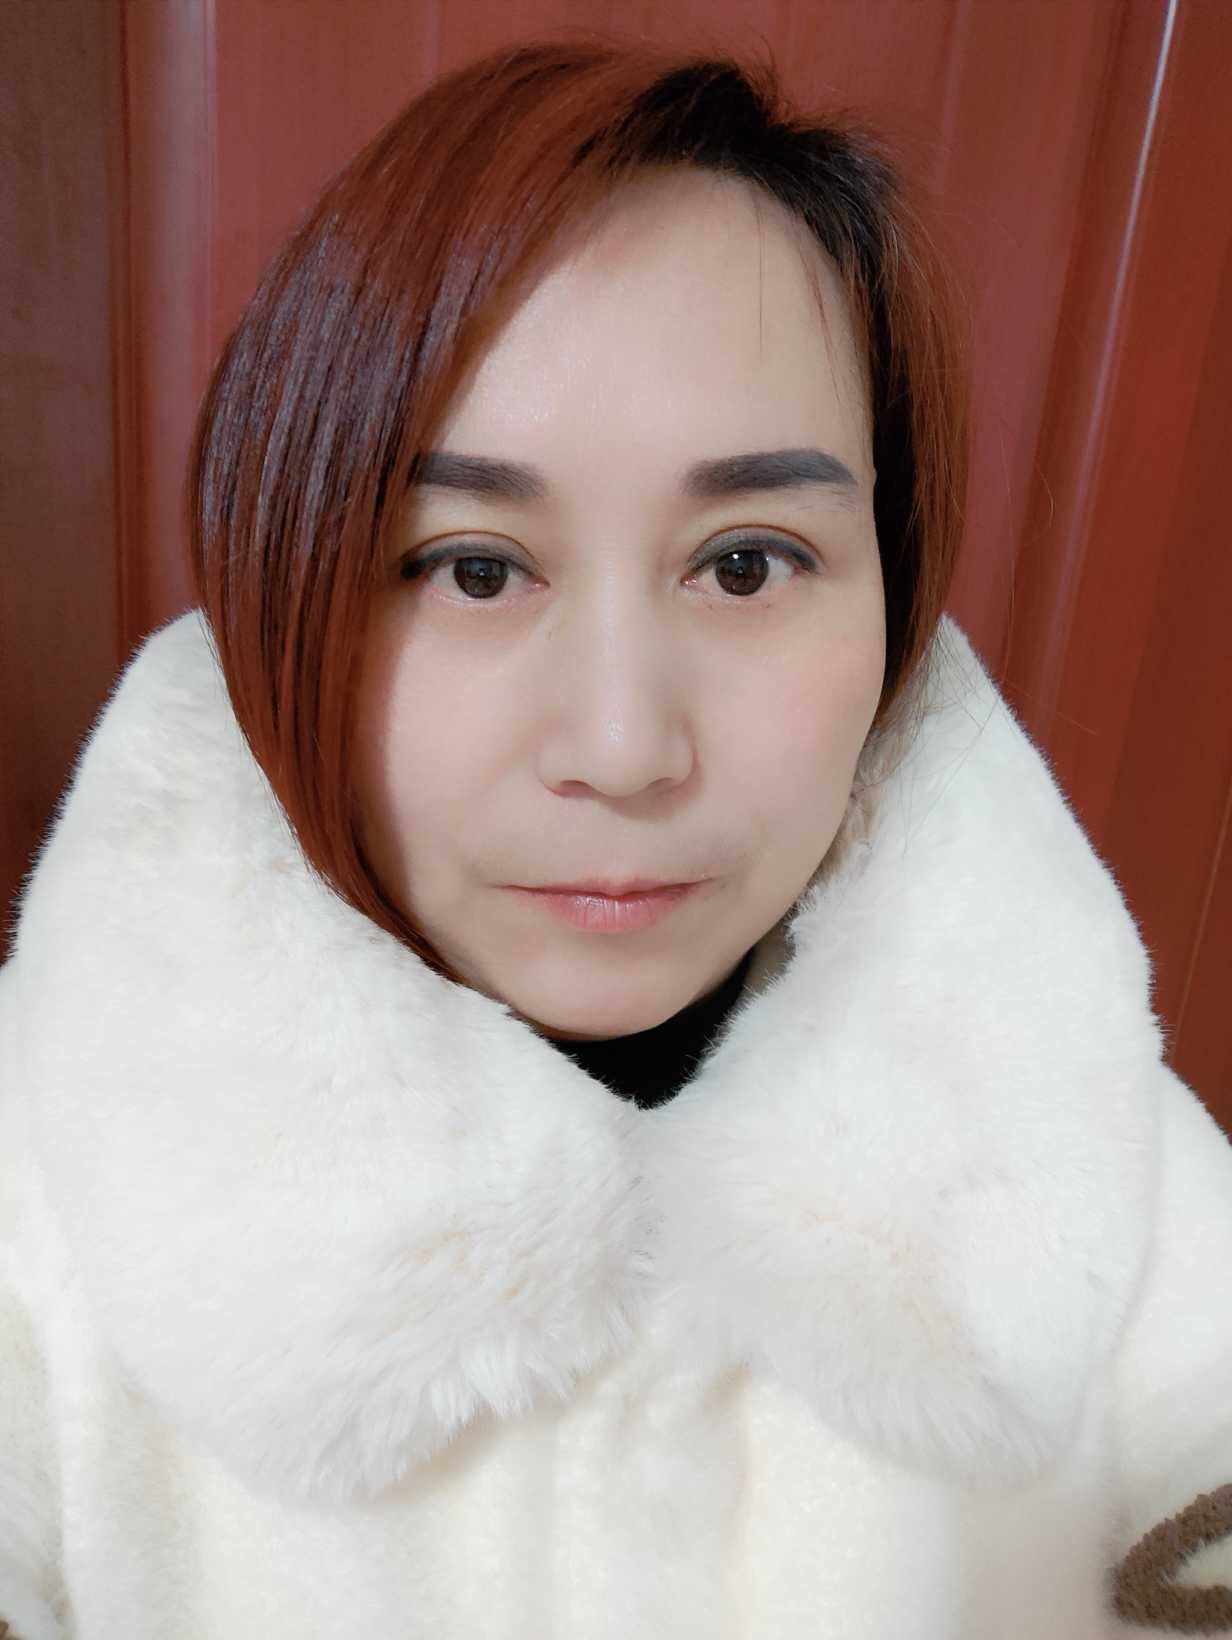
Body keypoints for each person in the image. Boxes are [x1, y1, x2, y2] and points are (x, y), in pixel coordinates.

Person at [1, 35, 1229, 1640]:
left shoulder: (1124, 1194)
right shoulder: (38, 1195)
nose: (623, 747)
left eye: (745, 564)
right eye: (473, 567)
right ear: (284, 590)